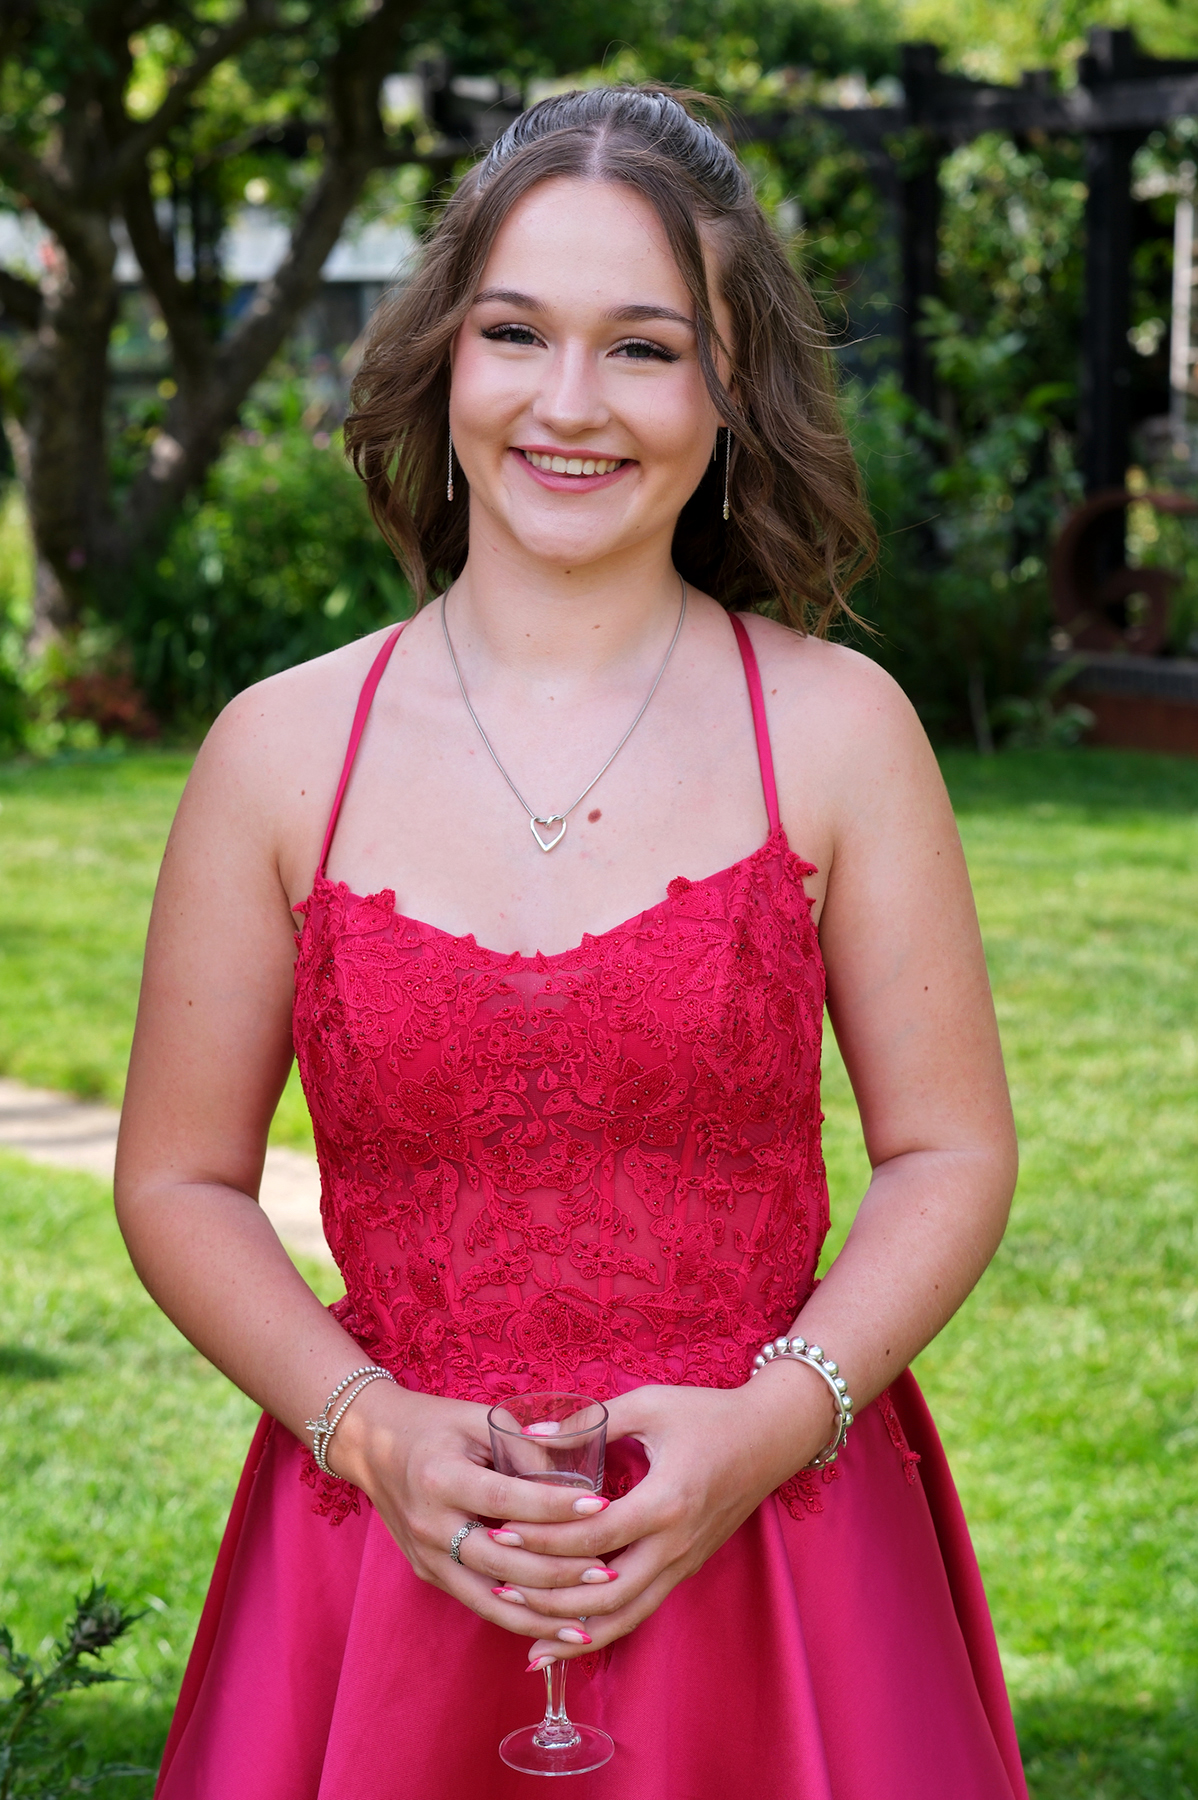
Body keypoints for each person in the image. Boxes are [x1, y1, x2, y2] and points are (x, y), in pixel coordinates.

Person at [115, 84, 1027, 1800]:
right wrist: (366, 1432)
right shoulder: (278, 752)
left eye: (643, 348)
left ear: (731, 386)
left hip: (774, 1556)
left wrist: (773, 1424)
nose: (567, 402)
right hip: (388, 1562)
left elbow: (949, 1151)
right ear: (442, 357)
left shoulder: (838, 731)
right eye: (516, 332)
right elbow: (177, 1180)